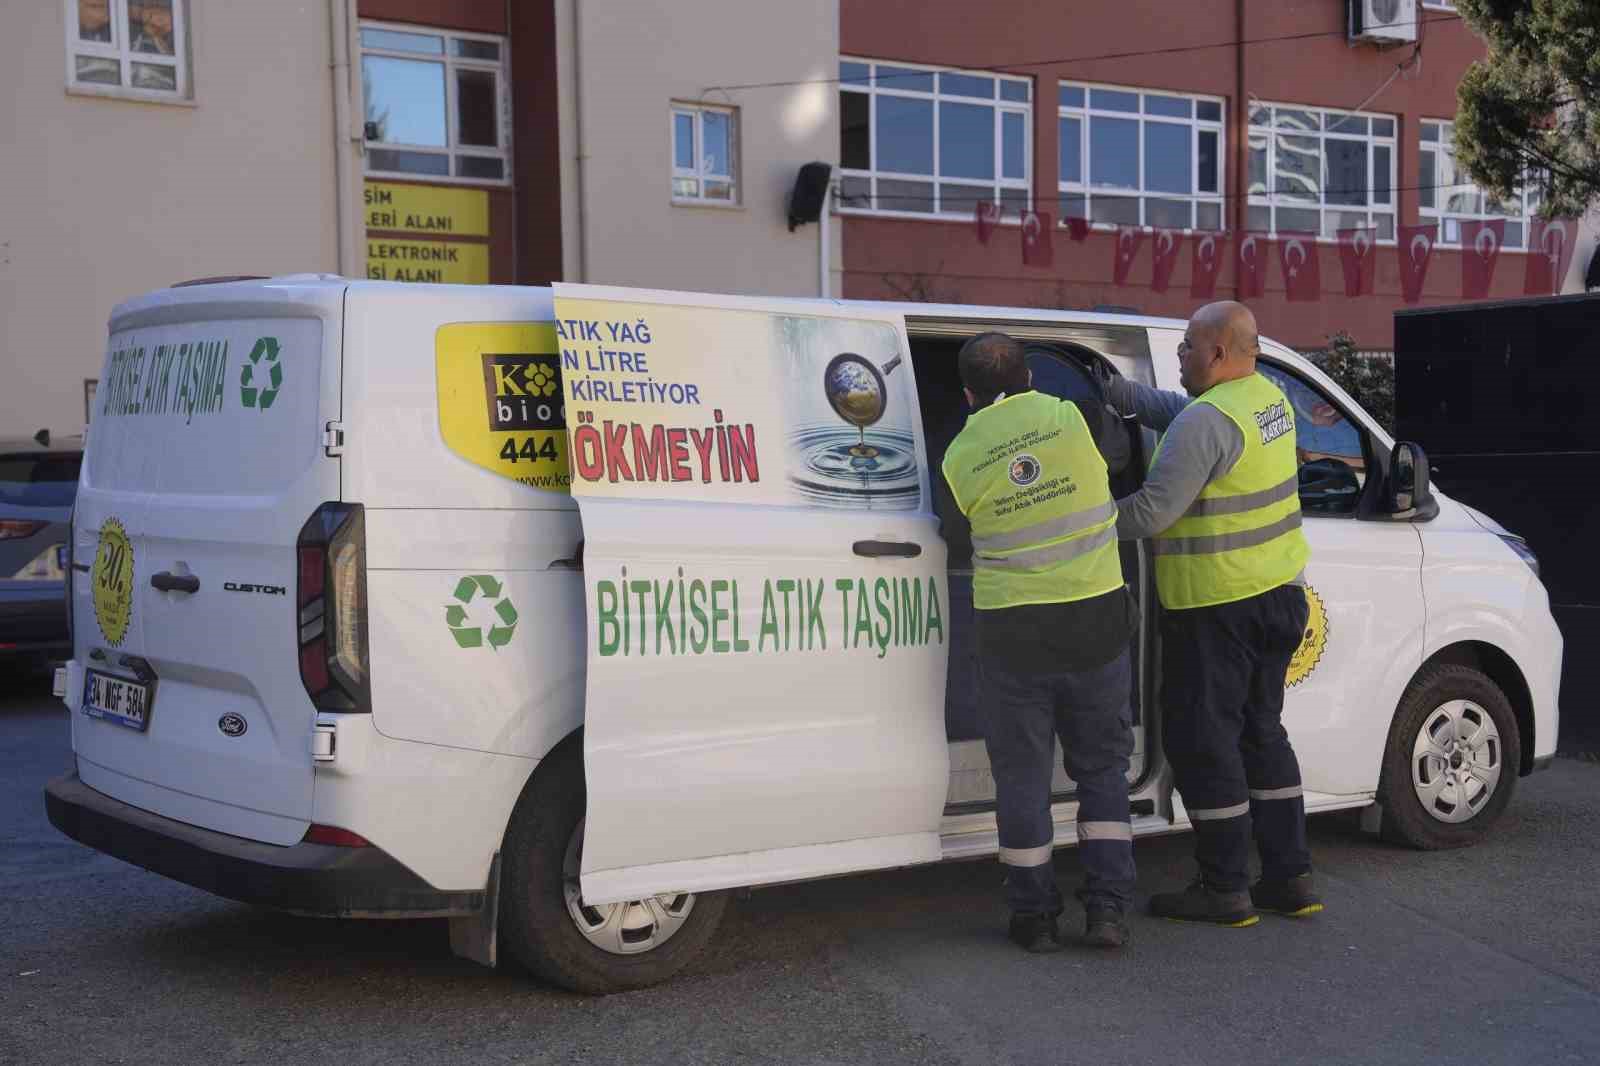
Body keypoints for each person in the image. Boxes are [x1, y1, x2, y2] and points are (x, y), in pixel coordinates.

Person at [1103, 301, 1321, 926]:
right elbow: (1192, 419)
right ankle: (1290, 877)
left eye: (1187, 346)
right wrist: (1128, 396)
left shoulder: (1206, 422)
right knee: (1262, 733)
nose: (1179, 354)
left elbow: (1151, 512)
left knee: (1205, 742)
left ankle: (1224, 886)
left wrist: (1071, 522)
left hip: (1217, 608)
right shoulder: (1268, 399)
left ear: (1217, 353)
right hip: (1279, 596)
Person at [938, 332, 1139, 952]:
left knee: (1022, 778)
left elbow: (956, 538)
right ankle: (1107, 910)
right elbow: (1123, 458)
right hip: (1094, 622)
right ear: (1029, 377)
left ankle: (1034, 919)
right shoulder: (1077, 418)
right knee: (1102, 769)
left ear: (968, 394)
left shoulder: (958, 454)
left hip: (1013, 634)